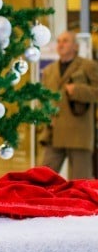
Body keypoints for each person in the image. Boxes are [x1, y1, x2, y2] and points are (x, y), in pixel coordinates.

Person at [40, 30, 98, 179]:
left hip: (79, 134)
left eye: (65, 41)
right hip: (54, 133)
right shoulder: (49, 71)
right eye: (59, 41)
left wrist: (78, 90)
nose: (61, 44)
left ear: (76, 46)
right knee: (42, 178)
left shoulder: (88, 66)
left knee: (81, 183)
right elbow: (44, 99)